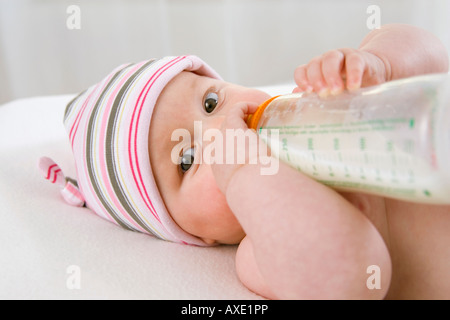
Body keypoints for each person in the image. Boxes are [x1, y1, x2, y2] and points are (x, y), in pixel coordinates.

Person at [40, 23, 449, 299]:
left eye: (211, 101)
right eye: (187, 159)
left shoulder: (320, 104)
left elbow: (432, 55)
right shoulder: (261, 254)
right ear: (197, 235)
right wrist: (242, 171)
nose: (221, 129)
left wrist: (379, 62)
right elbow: (354, 276)